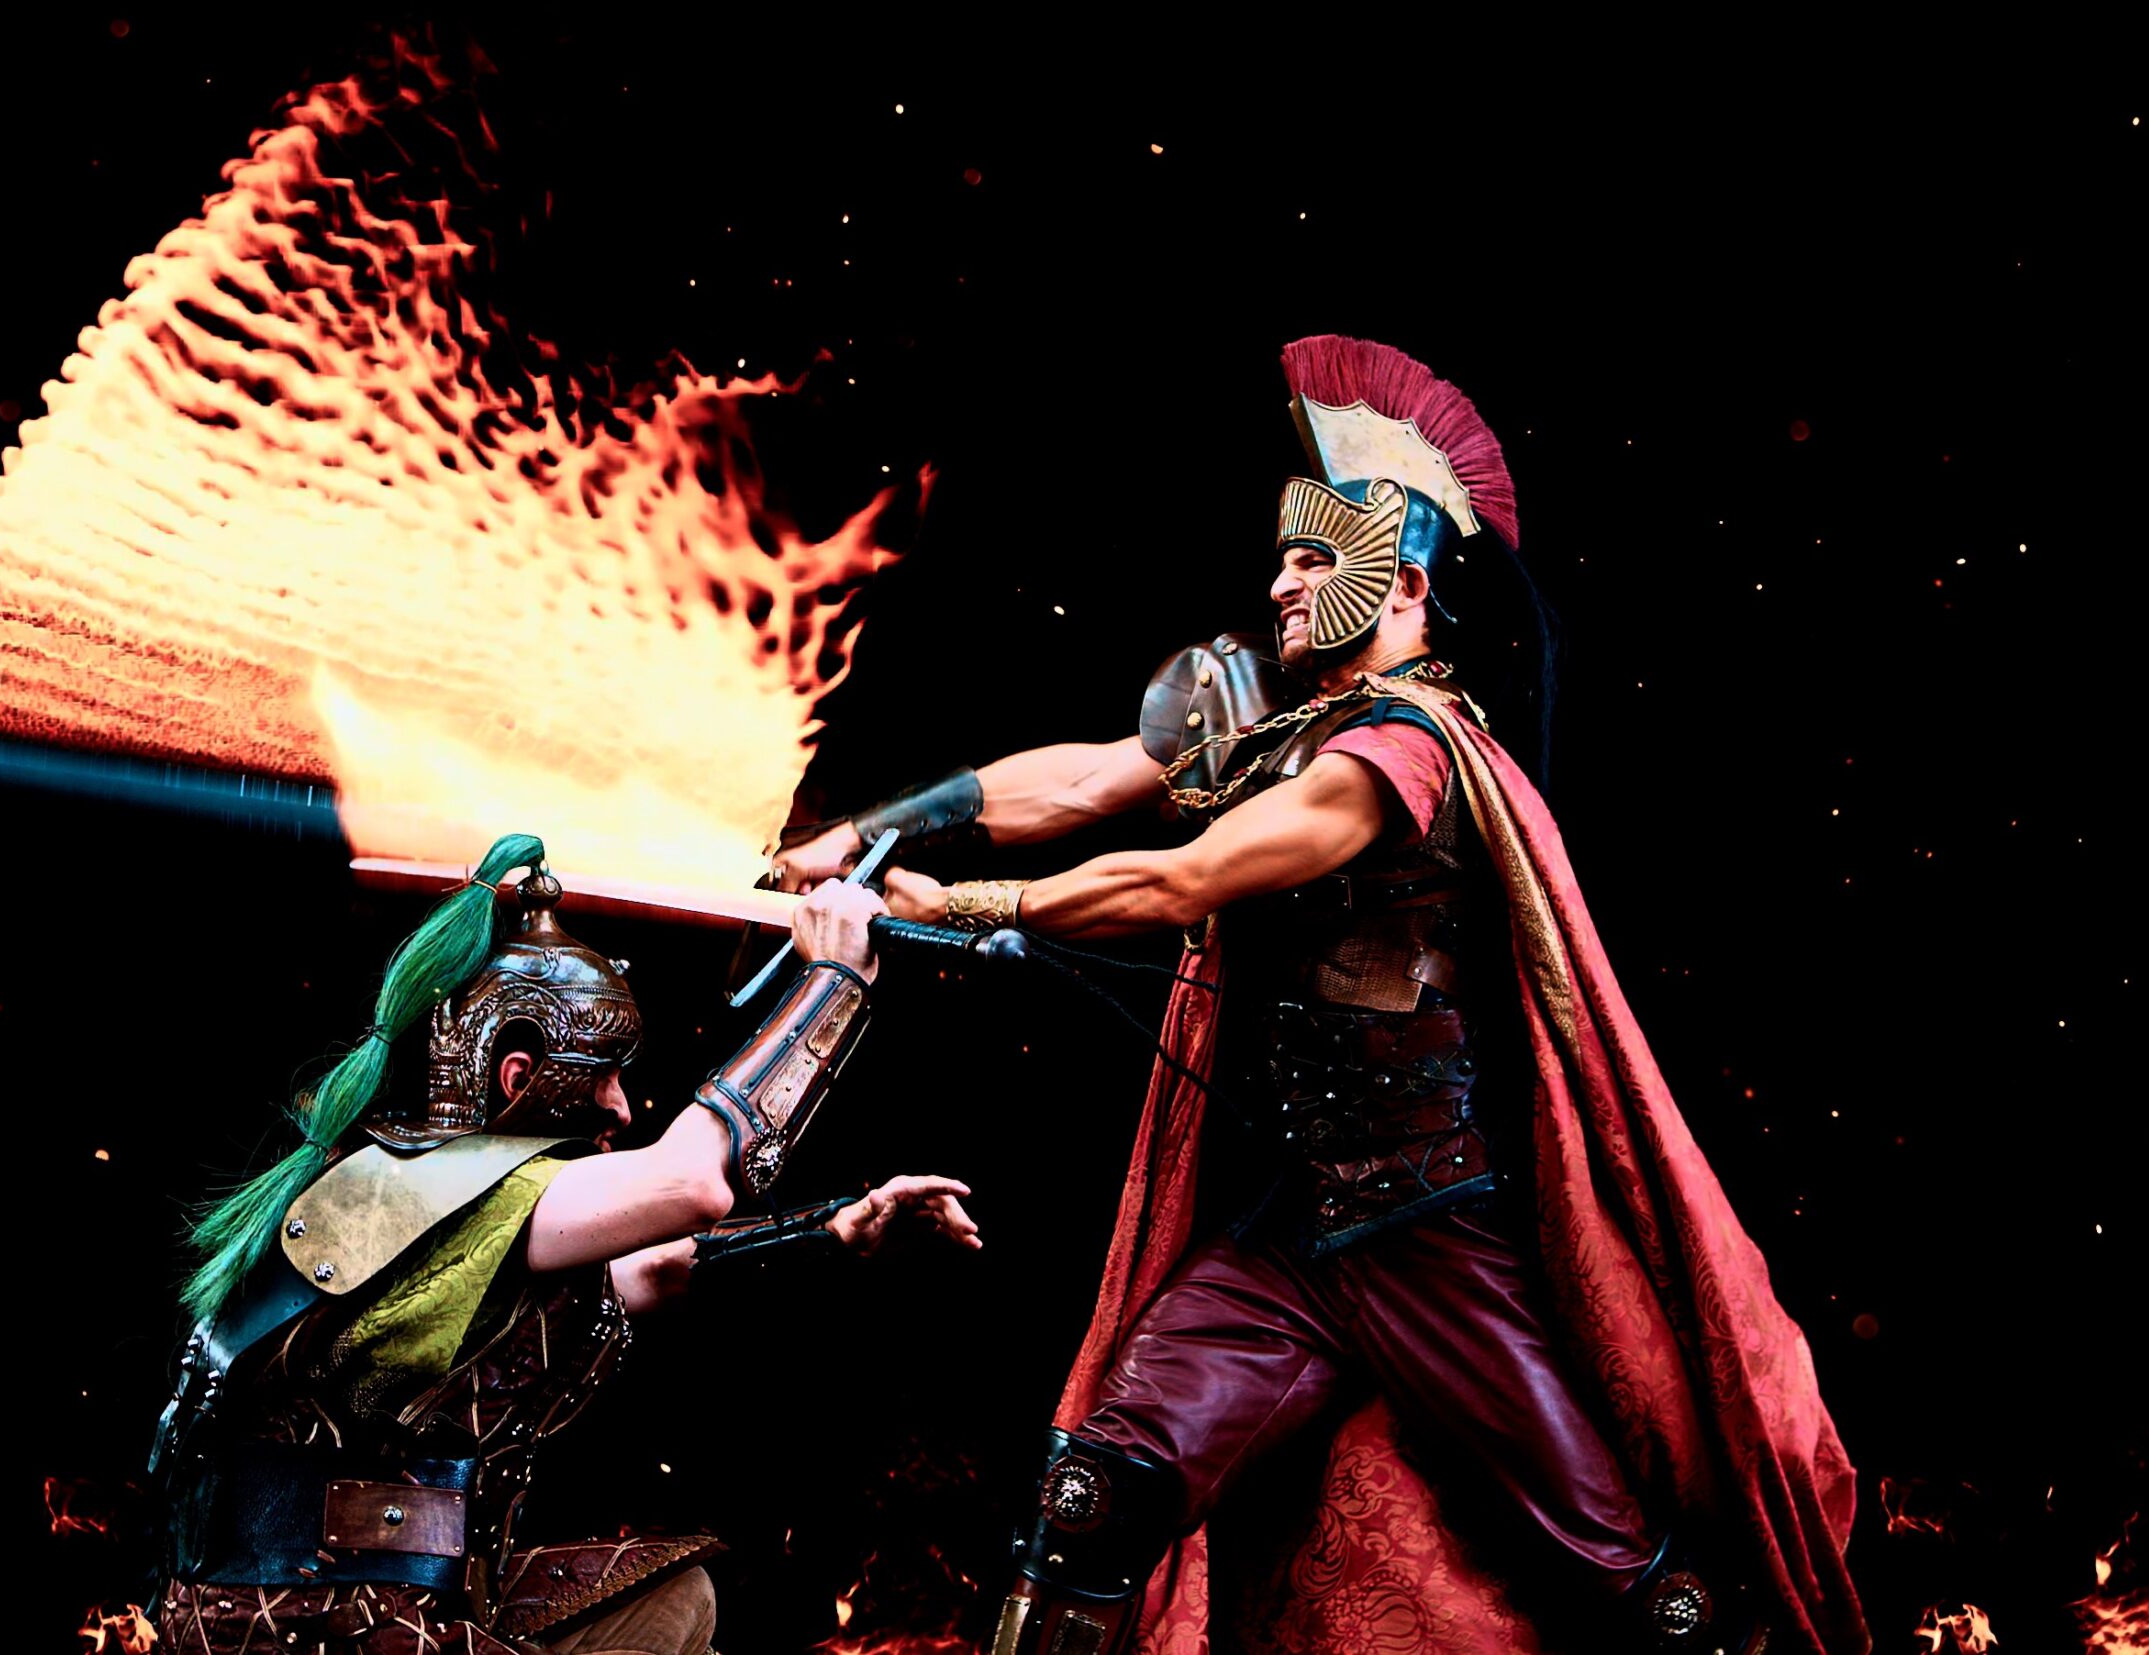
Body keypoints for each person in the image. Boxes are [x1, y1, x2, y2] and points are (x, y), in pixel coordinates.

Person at [783, 337, 1867, 1655]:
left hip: (1432, 1230)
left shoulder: (1401, 755)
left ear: (1400, 582)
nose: (1279, 584)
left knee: (1638, 1586)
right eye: (1282, 559)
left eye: (1309, 560)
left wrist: (956, 909)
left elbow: (1179, 878)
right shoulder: (1281, 728)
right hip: (1297, 1233)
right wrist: (872, 833)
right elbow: (1082, 781)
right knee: (1089, 1502)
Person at [149, 834, 977, 1655]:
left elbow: (649, 1268)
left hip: (383, 1599)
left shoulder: (451, 1200)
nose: (621, 1106)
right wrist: (833, 978)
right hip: (306, 1627)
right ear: (519, 1075)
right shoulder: (427, 1191)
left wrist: (834, 1231)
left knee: (673, 1600)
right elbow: (694, 1182)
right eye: (605, 1072)